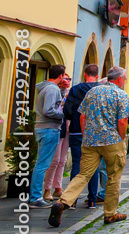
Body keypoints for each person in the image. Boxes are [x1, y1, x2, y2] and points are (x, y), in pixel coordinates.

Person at [49, 66, 129, 227]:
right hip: (112, 141)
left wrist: (86, 135)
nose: (125, 80)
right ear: (119, 79)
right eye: (125, 78)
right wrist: (121, 139)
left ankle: (63, 202)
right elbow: (122, 121)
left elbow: (82, 116)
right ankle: (110, 214)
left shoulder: (92, 92)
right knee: (113, 177)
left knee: (83, 174)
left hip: (90, 141)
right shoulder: (121, 95)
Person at [62, 64, 102, 209]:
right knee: (93, 166)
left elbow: (67, 111)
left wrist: (73, 119)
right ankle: (92, 199)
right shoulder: (101, 90)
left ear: (85, 74)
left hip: (76, 131)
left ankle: (72, 200)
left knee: (77, 165)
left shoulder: (75, 89)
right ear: (97, 75)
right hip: (95, 133)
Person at [29, 64, 67, 209]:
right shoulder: (51, 89)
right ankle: (36, 197)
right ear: (60, 76)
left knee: (41, 163)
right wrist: (63, 114)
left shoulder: (46, 87)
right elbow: (49, 110)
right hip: (49, 128)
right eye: (63, 76)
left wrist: (62, 90)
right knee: (42, 164)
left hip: (44, 128)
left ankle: (36, 195)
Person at [42, 73, 72, 203]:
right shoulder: (55, 91)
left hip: (67, 128)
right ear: (59, 79)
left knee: (62, 160)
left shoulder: (70, 93)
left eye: (69, 79)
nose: (67, 81)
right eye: (65, 78)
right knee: (54, 160)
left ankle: (58, 187)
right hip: (56, 127)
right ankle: (47, 188)